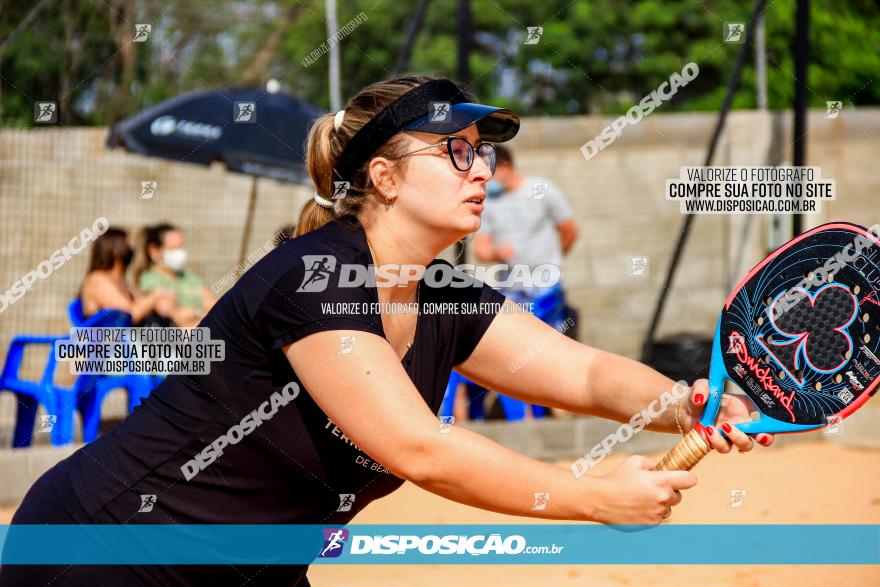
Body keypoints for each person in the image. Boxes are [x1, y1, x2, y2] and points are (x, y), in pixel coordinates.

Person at [0, 76, 773, 586]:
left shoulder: (439, 295)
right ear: (385, 176)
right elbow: (419, 447)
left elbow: (581, 373)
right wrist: (593, 496)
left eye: (485, 152)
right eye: (456, 151)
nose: (481, 169)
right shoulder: (314, 276)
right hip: (105, 550)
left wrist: (686, 406)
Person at [464, 144, 579, 420]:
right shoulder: (489, 201)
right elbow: (481, 249)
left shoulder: (542, 189)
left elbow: (569, 229)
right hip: (512, 287)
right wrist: (495, 253)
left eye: (487, 170)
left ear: (504, 166)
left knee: (550, 345)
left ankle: (559, 407)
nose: (482, 177)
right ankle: (524, 413)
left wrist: (553, 261)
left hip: (545, 285)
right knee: (513, 349)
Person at [79, 228, 176, 325]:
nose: (131, 251)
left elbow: (139, 303)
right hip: (103, 338)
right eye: (127, 246)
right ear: (115, 250)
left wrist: (160, 302)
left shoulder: (120, 281)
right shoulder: (98, 280)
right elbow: (130, 315)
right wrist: (155, 296)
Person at [136, 223, 216, 327]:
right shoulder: (150, 279)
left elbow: (215, 305)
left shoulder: (187, 276)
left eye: (181, 247)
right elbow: (174, 317)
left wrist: (193, 312)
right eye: (173, 248)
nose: (179, 253)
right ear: (154, 250)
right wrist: (200, 310)